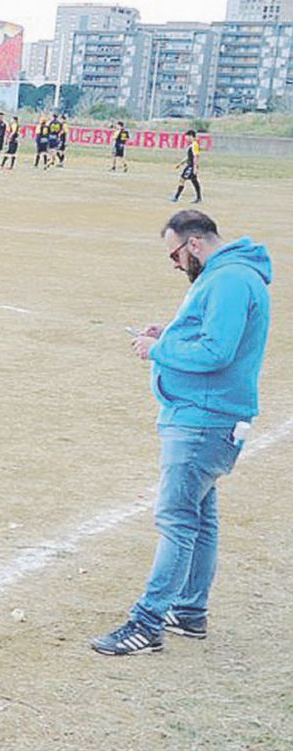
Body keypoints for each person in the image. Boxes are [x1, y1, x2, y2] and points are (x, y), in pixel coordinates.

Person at [90, 211, 271, 656]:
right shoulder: (227, 275)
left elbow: (216, 350)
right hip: (204, 416)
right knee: (200, 516)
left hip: (203, 420)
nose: (174, 263)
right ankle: (189, 611)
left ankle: (147, 623)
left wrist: (159, 349)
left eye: (174, 253)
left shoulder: (229, 279)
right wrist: (170, 331)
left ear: (193, 244)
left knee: (177, 521)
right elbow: (210, 332)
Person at [172, 130, 203, 203]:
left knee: (182, 179)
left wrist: (195, 168)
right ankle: (199, 198)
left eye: (187, 137)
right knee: (194, 181)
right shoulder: (193, 145)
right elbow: (189, 157)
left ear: (191, 136)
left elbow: (196, 156)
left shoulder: (195, 145)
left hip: (191, 166)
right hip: (190, 165)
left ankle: (176, 197)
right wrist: (180, 163)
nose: (186, 139)